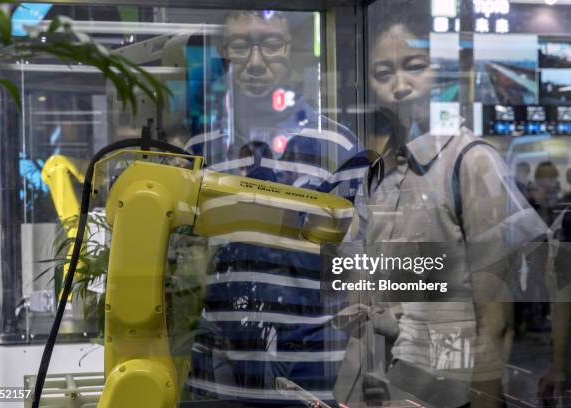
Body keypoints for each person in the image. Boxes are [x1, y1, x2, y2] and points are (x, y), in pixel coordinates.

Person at [343, 1, 550, 407]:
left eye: (415, 66)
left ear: (440, 71)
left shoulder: (471, 162)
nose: (399, 85)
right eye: (383, 73)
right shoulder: (378, 175)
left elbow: (497, 318)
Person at [184, 10, 369, 405]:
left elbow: (359, 264)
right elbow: (185, 265)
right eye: (240, 45)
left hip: (313, 366)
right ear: (224, 53)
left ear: (291, 50)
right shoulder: (200, 152)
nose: (255, 62)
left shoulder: (337, 148)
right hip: (221, 367)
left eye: (270, 45)